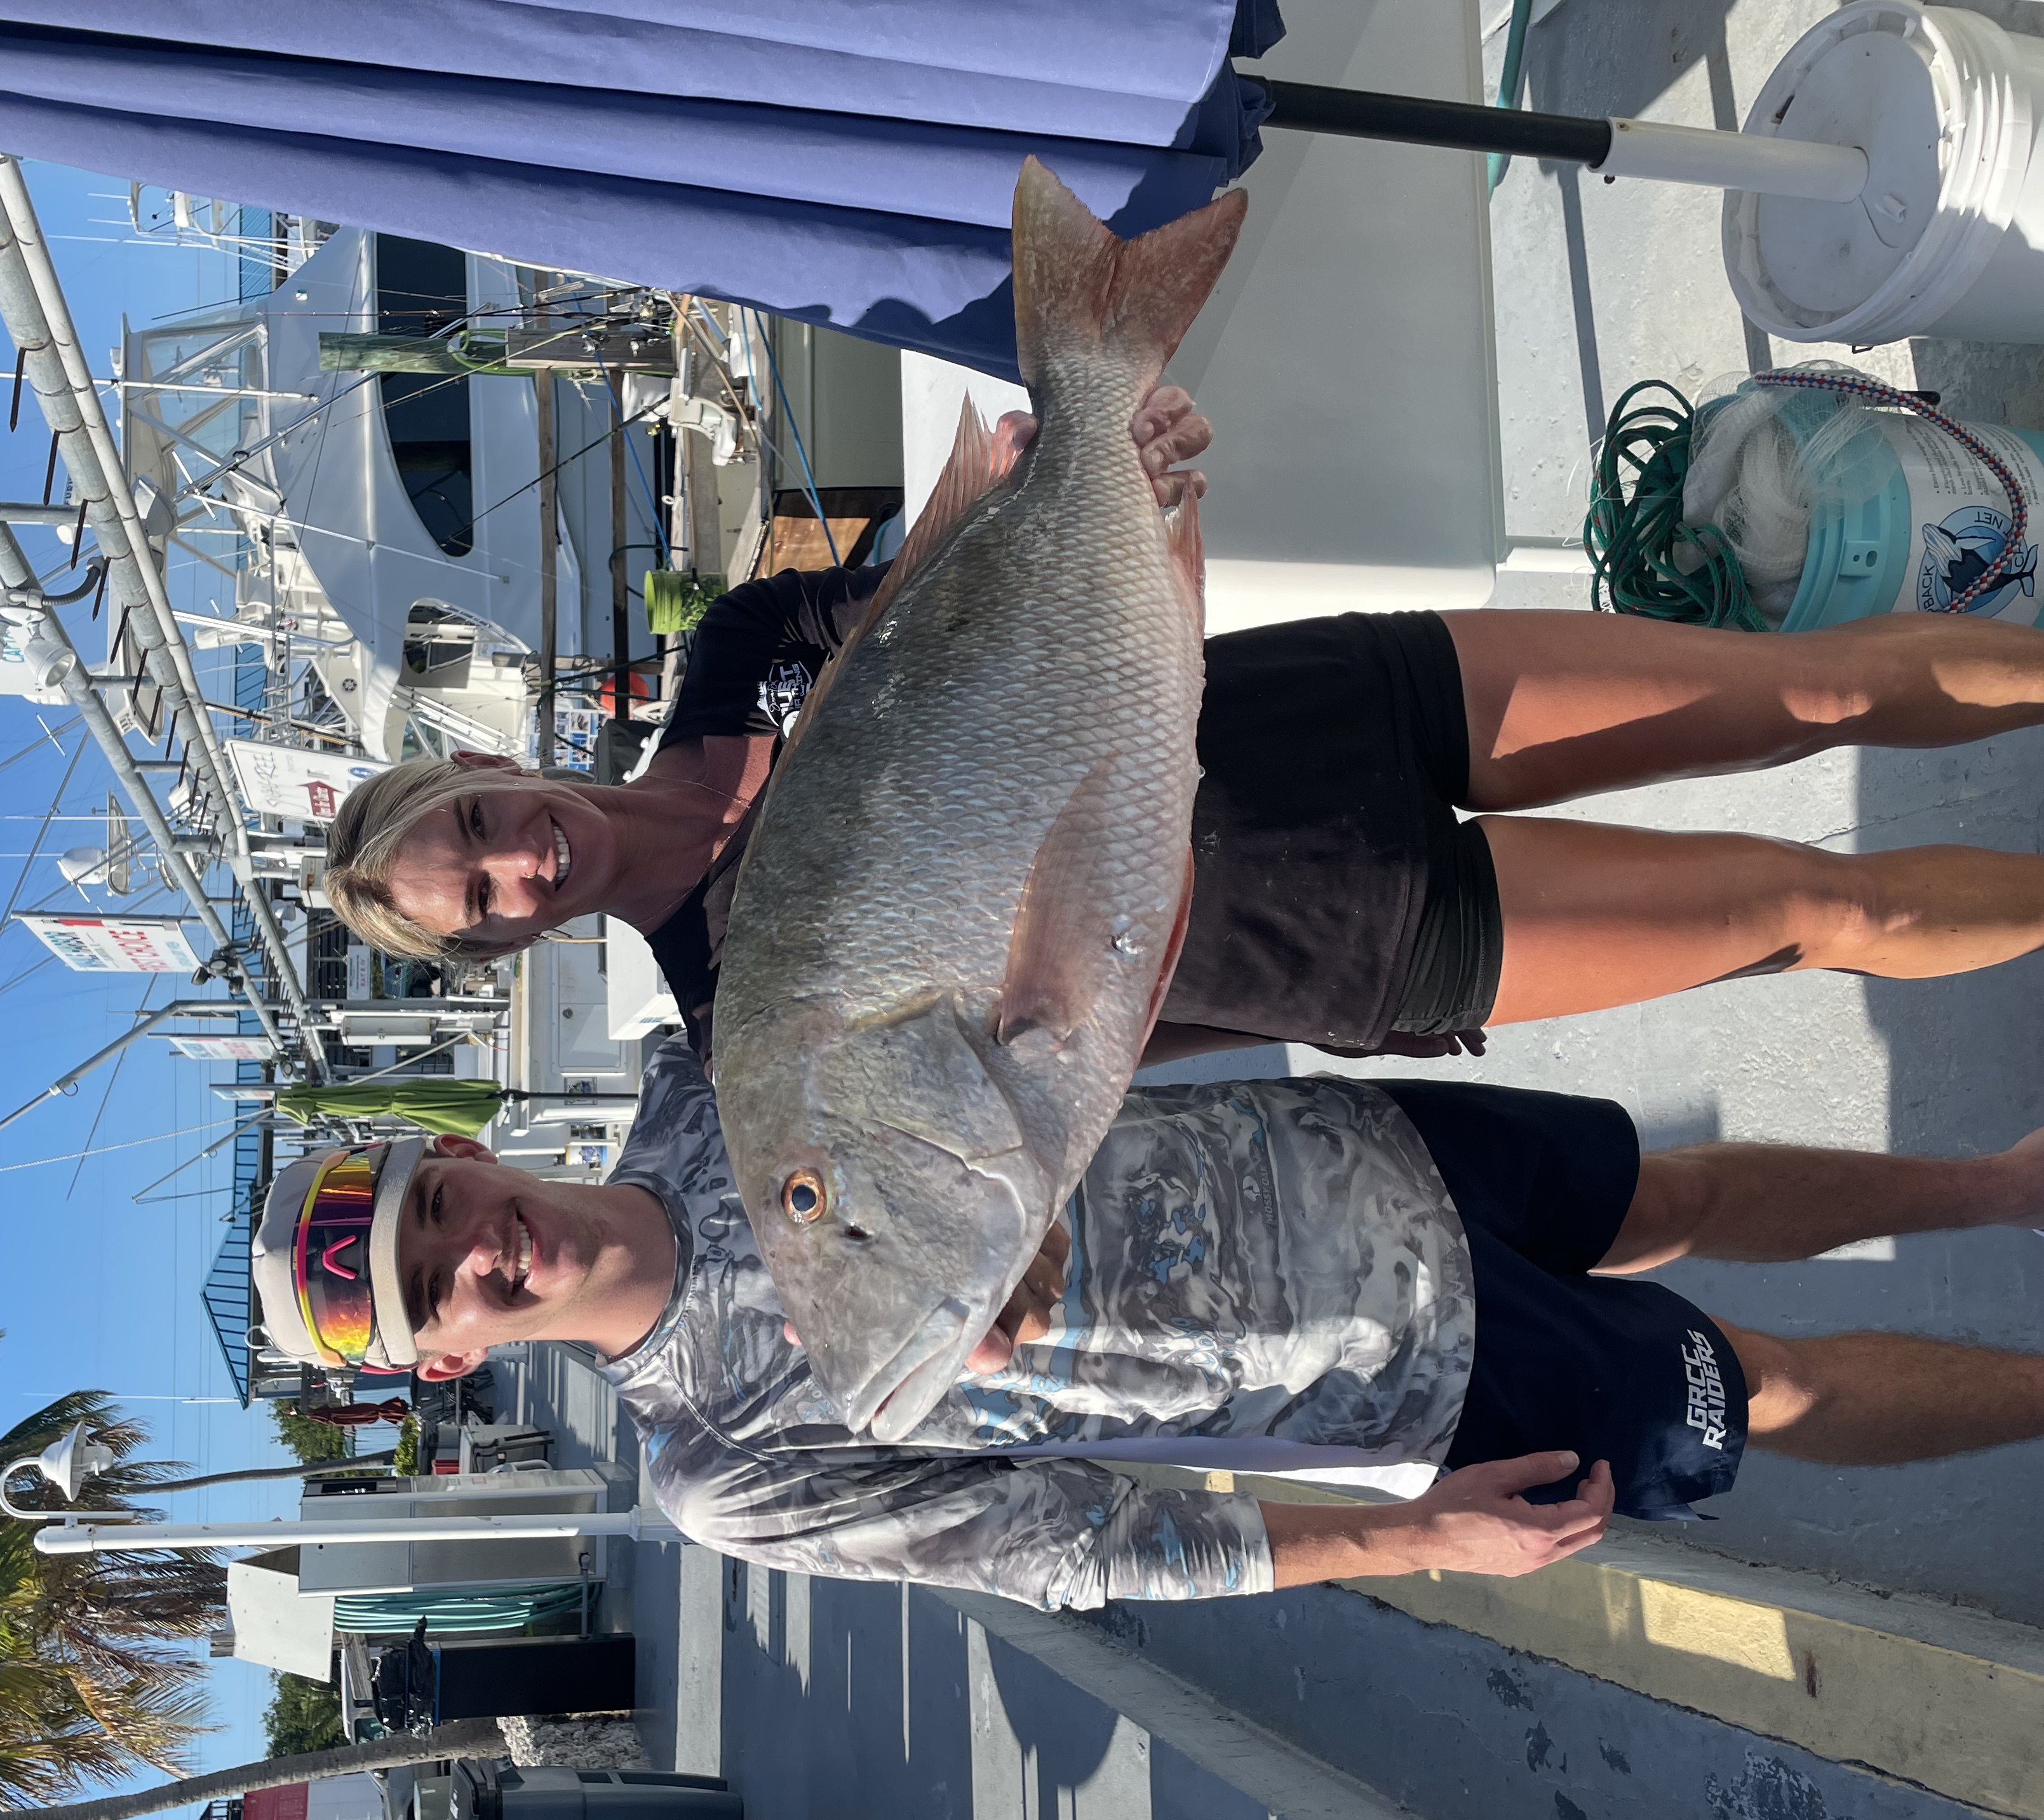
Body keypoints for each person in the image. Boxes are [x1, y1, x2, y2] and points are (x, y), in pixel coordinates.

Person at [320, 392, 2044, 1065]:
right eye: (481, 897)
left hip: (1318, 702)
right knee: (1817, 912)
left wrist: (1012, 482)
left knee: (1791, 690)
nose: (516, 860)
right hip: (1327, 938)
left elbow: (928, 589)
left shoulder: (740, 657)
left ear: (485, 772)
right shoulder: (738, 1015)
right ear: (506, 945)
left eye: (474, 828)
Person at [250, 1042, 2044, 1610]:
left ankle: (2008, 1184)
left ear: (457, 1152)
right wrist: (1417, 1538)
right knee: (1767, 1383)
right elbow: (1082, 1545)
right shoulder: (721, 1469)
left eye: (435, 1204)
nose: (477, 1250)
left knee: (1690, 1190)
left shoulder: (712, 1071)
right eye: (434, 1288)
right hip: (1378, 1367)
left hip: (1348, 1143)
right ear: (446, 1360)